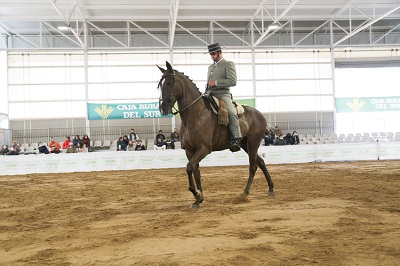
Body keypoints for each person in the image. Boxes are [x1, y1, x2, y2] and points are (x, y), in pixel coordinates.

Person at [203, 43, 241, 152]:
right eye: (211, 54)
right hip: (210, 94)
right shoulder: (210, 67)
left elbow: (233, 81)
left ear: (220, 52)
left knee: (231, 112)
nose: (212, 56)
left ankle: (236, 138)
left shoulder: (228, 64)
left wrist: (215, 82)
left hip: (223, 94)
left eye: (213, 54)